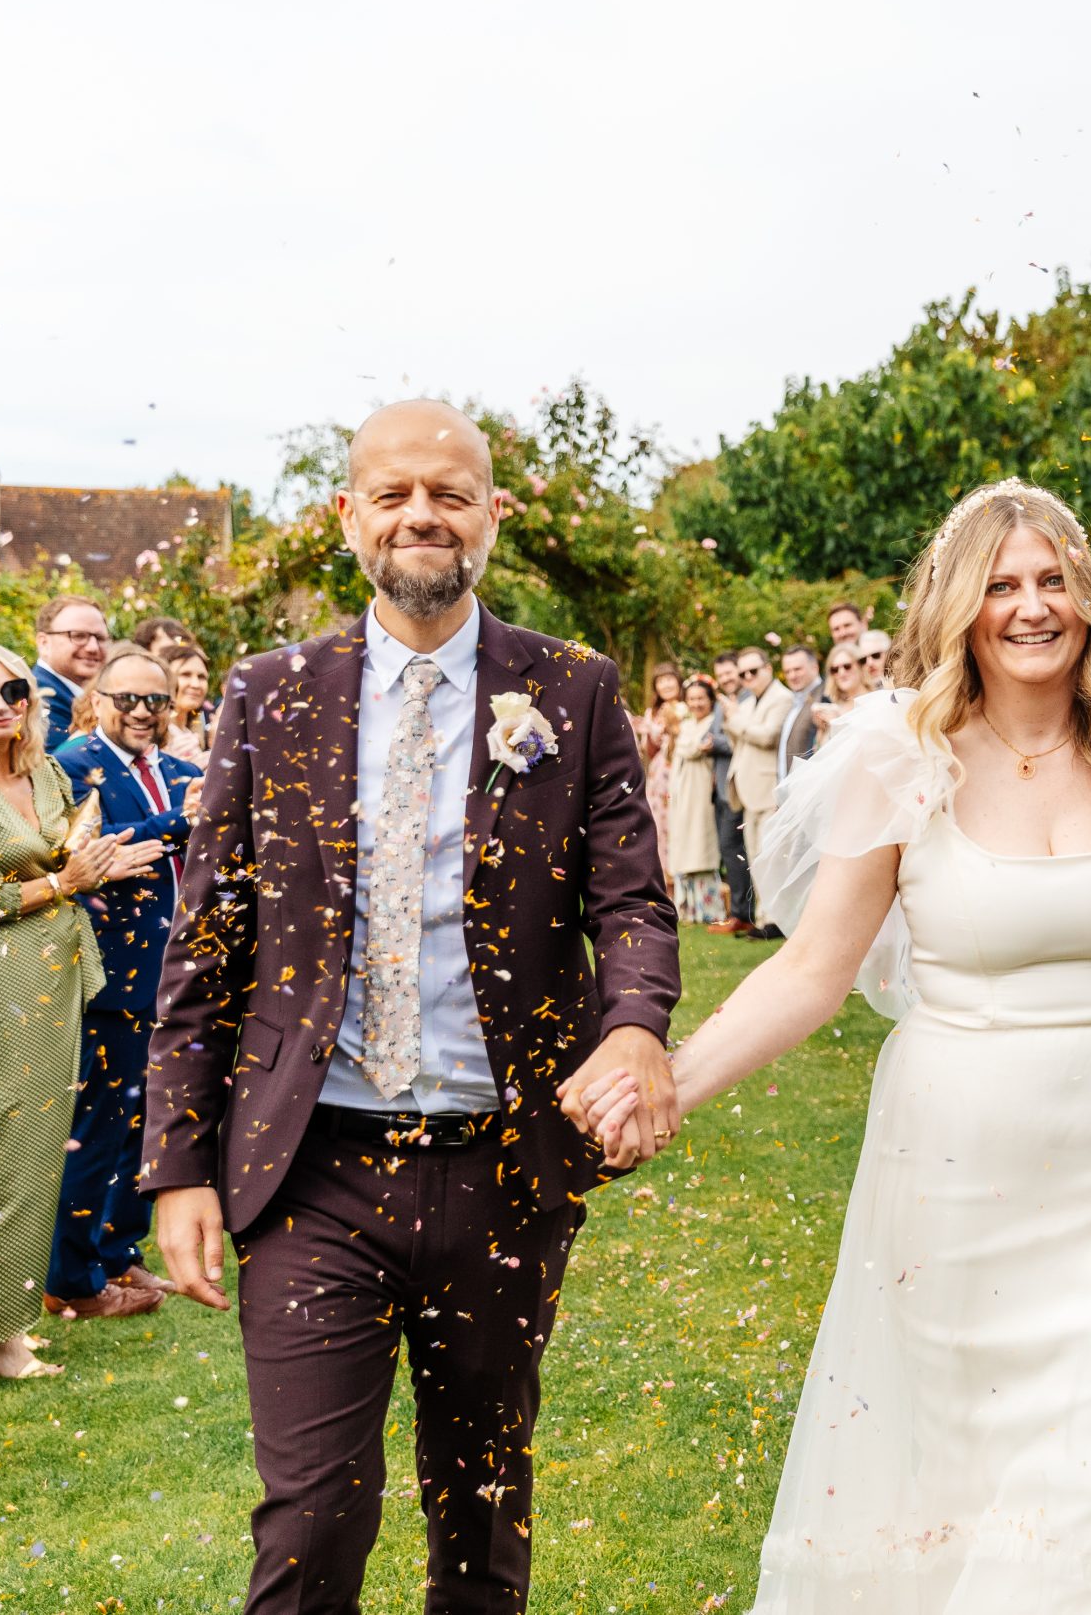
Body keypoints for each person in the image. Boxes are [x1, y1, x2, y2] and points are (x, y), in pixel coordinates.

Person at [562, 478, 1091, 1612]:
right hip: (953, 1185)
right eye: (1001, 586)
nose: (1031, 609)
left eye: (1052, 581)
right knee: (962, 1493)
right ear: (956, 607)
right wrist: (671, 1085)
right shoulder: (899, 754)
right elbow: (813, 968)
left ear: (1086, 594)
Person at [142, 399, 680, 1615]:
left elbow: (634, 901)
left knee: (483, 1507)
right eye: (392, 494)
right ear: (348, 517)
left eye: (448, 493)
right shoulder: (269, 692)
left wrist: (637, 1024)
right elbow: (209, 939)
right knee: (313, 1516)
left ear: (494, 513)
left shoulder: (575, 689)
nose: (421, 516)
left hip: (502, 1161)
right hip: (313, 1164)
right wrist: (178, 1163)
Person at [0, 643, 154, 1379]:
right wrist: (64, 885)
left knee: (39, 1149)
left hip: (57, 971)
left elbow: (60, 857)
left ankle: (6, 1313)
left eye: (12, 689)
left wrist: (97, 864)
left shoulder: (42, 769)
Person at [47, 644, 198, 1319]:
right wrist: (178, 823)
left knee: (150, 1124)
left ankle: (119, 1248)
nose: (142, 712)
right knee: (99, 1127)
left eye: (155, 700)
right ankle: (70, 1276)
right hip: (112, 972)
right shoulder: (75, 766)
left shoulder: (181, 768)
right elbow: (90, 851)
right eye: (128, 699)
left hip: (177, 969)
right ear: (99, 699)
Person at [725, 645, 792, 936]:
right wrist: (734, 720)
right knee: (754, 857)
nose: (748, 677)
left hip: (769, 789)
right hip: (749, 790)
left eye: (753, 670)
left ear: (767, 668)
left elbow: (766, 737)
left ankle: (776, 919)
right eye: (743, 673)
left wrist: (735, 719)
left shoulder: (782, 697)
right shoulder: (750, 702)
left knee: (770, 856)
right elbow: (738, 742)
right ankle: (764, 918)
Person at [664, 676, 727, 923]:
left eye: (701, 698)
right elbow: (683, 748)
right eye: (691, 699)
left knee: (700, 843)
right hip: (681, 790)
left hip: (701, 790)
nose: (696, 703)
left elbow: (695, 748)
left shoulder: (713, 723)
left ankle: (709, 910)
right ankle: (686, 909)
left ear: (710, 700)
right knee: (681, 843)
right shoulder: (688, 724)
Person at [709, 650, 754, 934]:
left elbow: (736, 739)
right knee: (730, 849)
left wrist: (713, 744)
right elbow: (718, 732)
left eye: (730, 672)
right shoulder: (720, 702)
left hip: (744, 785)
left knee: (736, 848)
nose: (726, 678)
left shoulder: (750, 699)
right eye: (721, 674)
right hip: (723, 787)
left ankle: (744, 913)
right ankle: (740, 912)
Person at [31, 595, 110, 754]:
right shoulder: (36, 700)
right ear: (44, 643)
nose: (93, 647)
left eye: (100, 638)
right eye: (78, 636)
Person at [640, 663, 686, 880]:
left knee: (680, 821)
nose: (666, 684)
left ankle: (680, 875)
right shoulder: (653, 712)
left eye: (670, 679)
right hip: (659, 775)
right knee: (659, 824)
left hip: (683, 768)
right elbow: (649, 750)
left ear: (678, 680)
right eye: (661, 681)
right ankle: (663, 878)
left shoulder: (689, 706)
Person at [154, 638, 213, 767]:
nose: (196, 684)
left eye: (201, 677)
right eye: (185, 675)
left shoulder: (191, 733)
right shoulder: (153, 734)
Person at [775, 644, 826, 777]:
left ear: (815, 667)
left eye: (797, 669)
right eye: (787, 671)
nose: (792, 676)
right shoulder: (794, 701)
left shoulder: (824, 697)